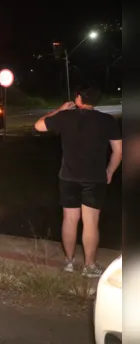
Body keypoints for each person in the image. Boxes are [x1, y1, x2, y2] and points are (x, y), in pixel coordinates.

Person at [34, 86, 122, 277]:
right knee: (90, 223)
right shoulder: (107, 121)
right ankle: (90, 267)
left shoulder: (66, 117)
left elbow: (39, 125)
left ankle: (69, 263)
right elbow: (118, 151)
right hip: (94, 178)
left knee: (69, 219)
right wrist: (110, 171)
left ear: (79, 98)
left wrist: (60, 109)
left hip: (68, 177)